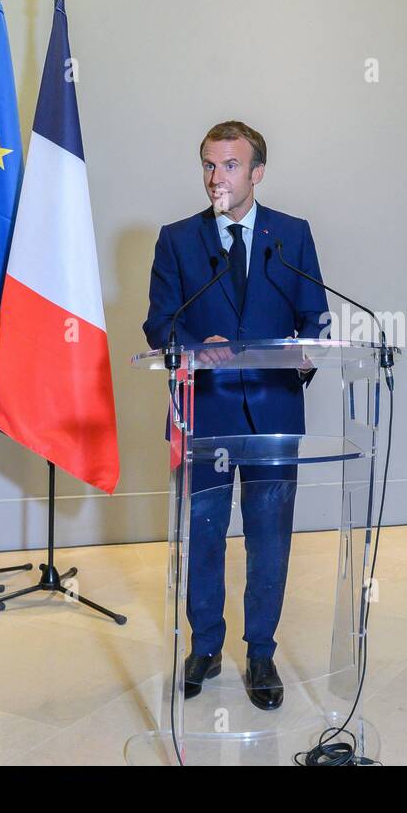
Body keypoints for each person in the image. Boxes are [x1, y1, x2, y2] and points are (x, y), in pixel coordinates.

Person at [142, 121, 329, 710]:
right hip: (207, 412)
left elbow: (315, 316)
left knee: (269, 537)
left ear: (257, 173)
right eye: (207, 165)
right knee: (204, 535)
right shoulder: (177, 239)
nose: (214, 177)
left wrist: (304, 359)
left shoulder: (291, 235)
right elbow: (159, 323)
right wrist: (196, 345)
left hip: (274, 408)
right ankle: (204, 645)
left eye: (227, 165)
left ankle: (261, 651)